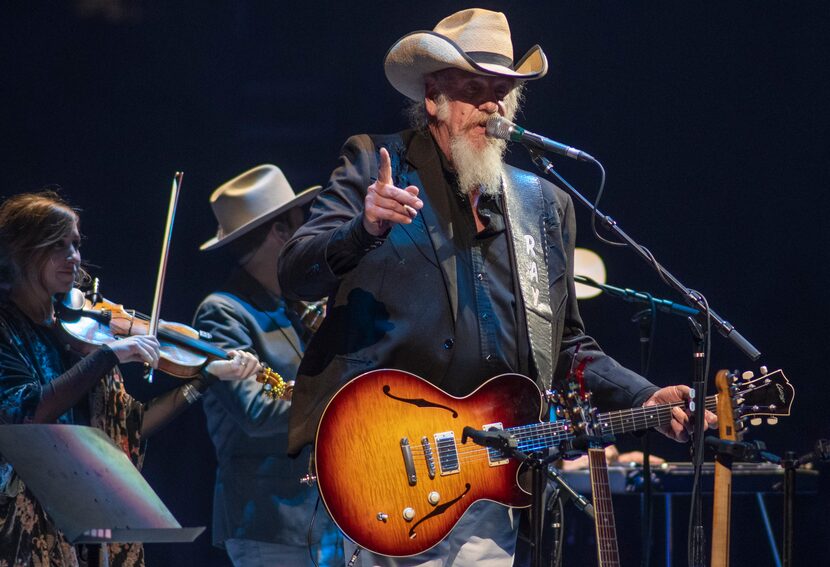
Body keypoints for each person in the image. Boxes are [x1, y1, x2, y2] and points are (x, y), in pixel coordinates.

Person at [278, 8, 716, 567]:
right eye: (474, 88)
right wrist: (363, 229)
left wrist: (642, 397)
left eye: (503, 91)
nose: (491, 104)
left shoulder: (544, 206)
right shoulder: (375, 162)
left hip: (489, 481)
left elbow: (566, 348)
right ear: (433, 95)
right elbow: (295, 271)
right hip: (385, 463)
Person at [0, 191, 260, 567]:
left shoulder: (81, 331)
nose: (73, 257)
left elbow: (128, 431)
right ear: (23, 252)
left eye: (74, 244)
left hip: (91, 518)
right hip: (28, 526)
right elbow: (27, 413)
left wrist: (205, 379)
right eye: (57, 245)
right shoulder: (8, 329)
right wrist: (111, 355)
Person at [193, 165, 343, 567]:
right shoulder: (224, 312)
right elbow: (255, 413)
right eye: (300, 224)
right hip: (269, 522)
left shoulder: (296, 306)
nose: (309, 236)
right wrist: (344, 400)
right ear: (280, 232)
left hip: (326, 517)